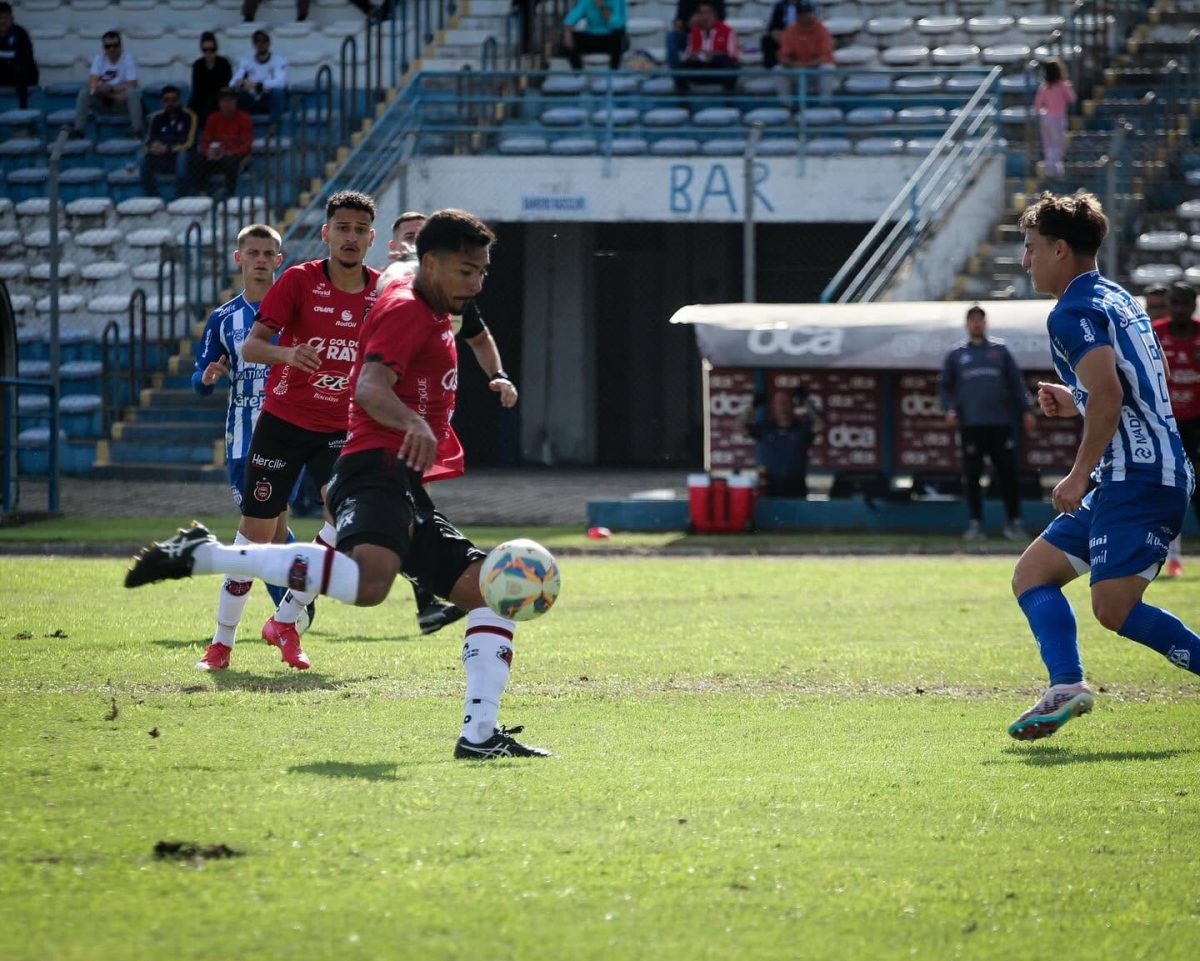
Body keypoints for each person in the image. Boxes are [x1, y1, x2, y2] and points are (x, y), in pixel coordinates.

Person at [126, 209, 552, 761]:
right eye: (467, 271)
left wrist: (405, 262)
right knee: (370, 584)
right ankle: (205, 555)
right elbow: (370, 387)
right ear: (433, 264)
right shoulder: (408, 312)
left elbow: (404, 275)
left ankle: (479, 736)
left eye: (482, 272)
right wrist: (414, 422)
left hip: (400, 478)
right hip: (372, 466)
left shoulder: (415, 290)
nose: (477, 284)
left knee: (492, 588)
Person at [1007, 191, 1200, 741]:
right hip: (1135, 473)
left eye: (1032, 247)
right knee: (1032, 575)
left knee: (1113, 607)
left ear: (1060, 249)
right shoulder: (1116, 297)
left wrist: (1077, 474)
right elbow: (1145, 377)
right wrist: (1078, 398)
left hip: (1140, 477)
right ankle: (1066, 684)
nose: (1025, 260)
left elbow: (1112, 393)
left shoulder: (1071, 312)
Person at [186, 190, 381, 672]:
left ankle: (285, 620)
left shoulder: (382, 292)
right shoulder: (298, 280)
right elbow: (252, 347)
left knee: (346, 520)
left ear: (371, 238)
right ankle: (221, 643)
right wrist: (289, 354)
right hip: (283, 424)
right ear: (326, 233)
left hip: (339, 427)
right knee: (255, 537)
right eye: (343, 228)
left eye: (360, 230)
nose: (351, 237)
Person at [377, 211, 521, 635]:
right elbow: (371, 380)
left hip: (422, 420)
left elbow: (479, 337)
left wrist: (499, 374)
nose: (475, 281)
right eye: (408, 237)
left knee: (403, 520)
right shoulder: (394, 290)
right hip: (384, 422)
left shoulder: (452, 297)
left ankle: (431, 601)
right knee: (376, 545)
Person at [191, 224, 317, 671]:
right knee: (271, 532)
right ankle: (291, 612)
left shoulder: (298, 314)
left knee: (262, 533)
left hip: (288, 432)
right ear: (239, 258)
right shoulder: (224, 318)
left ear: (280, 260)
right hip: (243, 439)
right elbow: (200, 374)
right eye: (253, 252)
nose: (261, 260)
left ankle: (269, 624)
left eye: (269, 253)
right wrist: (207, 377)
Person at [938, 305, 1038, 541]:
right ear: (966, 324)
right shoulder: (957, 354)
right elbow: (944, 386)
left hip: (1000, 423)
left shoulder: (1000, 351)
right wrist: (949, 409)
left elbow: (1017, 383)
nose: (976, 324)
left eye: (980, 320)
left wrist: (1027, 410)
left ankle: (1014, 523)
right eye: (972, 320)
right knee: (972, 475)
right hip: (971, 424)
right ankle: (975, 524)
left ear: (985, 323)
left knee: (1007, 474)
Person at [1152, 282, 1200, 577]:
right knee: (1169, 488)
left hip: (1197, 422)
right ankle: (1172, 557)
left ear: (1194, 304)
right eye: (1175, 303)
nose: (1180, 309)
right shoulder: (1154, 332)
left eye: (1186, 303)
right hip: (1166, 423)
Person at [743, 385, 822, 498]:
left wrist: (806, 402)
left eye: (785, 403)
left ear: (792, 405)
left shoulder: (801, 428)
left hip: (796, 485)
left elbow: (820, 424)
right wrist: (753, 405)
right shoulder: (766, 428)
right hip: (770, 486)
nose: (782, 407)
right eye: (779, 403)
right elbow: (739, 427)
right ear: (774, 406)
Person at [73, 30, 142, 136]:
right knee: (85, 91)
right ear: (103, 47)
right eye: (108, 46)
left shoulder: (128, 59)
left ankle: (136, 130)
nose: (112, 49)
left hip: (122, 104)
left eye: (115, 45)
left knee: (132, 93)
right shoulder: (99, 58)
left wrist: (109, 88)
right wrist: (112, 93)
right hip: (105, 100)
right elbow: (93, 83)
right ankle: (78, 130)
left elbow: (132, 84)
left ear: (121, 46)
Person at [189, 87, 253, 198]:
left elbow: (247, 144)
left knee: (231, 161)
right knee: (197, 159)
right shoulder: (213, 118)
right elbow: (206, 140)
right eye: (224, 100)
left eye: (230, 100)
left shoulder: (244, 118)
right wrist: (208, 152)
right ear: (219, 103)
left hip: (235, 156)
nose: (227, 104)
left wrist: (229, 152)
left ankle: (229, 192)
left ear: (235, 102)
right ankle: (202, 192)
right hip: (216, 155)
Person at [140, 85, 197, 198]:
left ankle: (180, 198)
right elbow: (149, 140)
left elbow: (189, 142)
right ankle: (154, 198)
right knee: (142, 158)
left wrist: (168, 148)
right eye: (166, 100)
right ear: (162, 102)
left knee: (182, 157)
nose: (170, 103)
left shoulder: (189, 116)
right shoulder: (157, 118)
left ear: (179, 100)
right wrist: (153, 147)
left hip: (181, 156)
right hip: (162, 157)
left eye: (174, 100)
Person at [676, 1, 740, 94]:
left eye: (708, 12)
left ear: (714, 14)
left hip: (718, 66)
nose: (705, 16)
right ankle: (684, 99)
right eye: (701, 13)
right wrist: (694, 55)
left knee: (728, 64)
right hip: (700, 65)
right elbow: (688, 53)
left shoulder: (727, 31)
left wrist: (714, 54)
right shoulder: (694, 32)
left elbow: (733, 55)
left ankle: (728, 98)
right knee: (681, 68)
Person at [231, 29, 287, 128]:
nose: (261, 44)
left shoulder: (279, 61)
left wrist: (258, 85)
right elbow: (232, 83)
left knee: (277, 92)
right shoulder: (246, 62)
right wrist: (243, 83)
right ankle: (240, 127)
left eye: (264, 41)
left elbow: (280, 82)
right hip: (253, 98)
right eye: (257, 41)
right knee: (237, 93)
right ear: (254, 44)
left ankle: (273, 126)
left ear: (269, 43)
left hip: (269, 99)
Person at [1033, 59, 1075, 180]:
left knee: (1048, 146)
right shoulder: (1062, 86)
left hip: (1046, 118)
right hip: (1058, 118)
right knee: (1059, 146)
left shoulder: (1045, 87)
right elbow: (1071, 98)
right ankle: (1051, 168)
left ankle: (1054, 171)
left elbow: (1038, 105)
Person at [562, 0, 627, 71]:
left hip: (611, 37)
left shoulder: (617, 1)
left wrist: (602, 7)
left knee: (617, 35)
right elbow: (572, 18)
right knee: (568, 38)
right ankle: (579, 73)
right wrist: (567, 33)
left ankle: (614, 72)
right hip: (592, 36)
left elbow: (616, 25)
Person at [187, 31, 233, 127]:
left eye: (212, 49)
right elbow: (196, 87)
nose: (208, 53)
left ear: (216, 49)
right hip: (202, 98)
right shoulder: (198, 65)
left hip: (220, 97)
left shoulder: (224, 63)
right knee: (191, 107)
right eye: (205, 50)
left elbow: (227, 84)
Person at [666, 0, 725, 70]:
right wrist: (686, 24)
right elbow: (679, 20)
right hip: (689, 33)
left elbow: (721, 18)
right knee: (671, 36)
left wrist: (703, 19)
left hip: (712, 33)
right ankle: (676, 72)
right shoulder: (685, 2)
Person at [0, 2, 37, 110]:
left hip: (20, 73)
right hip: (3, 72)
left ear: (11, 19)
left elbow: (26, 57)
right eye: (0, 18)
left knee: (20, 68)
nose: (2, 22)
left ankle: (23, 106)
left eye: (5, 18)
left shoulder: (20, 33)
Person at [761, 0, 808, 71]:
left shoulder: (805, 5)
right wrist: (775, 33)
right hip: (783, 34)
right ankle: (771, 68)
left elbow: (810, 23)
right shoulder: (779, 6)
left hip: (801, 33)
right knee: (767, 39)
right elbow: (773, 25)